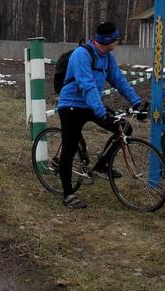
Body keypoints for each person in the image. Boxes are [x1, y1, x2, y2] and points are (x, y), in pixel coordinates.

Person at [56, 21, 147, 209]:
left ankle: (102, 166)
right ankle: (68, 194)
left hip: (90, 104)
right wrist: (101, 112)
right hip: (71, 105)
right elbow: (86, 85)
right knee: (70, 147)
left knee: (124, 127)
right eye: (117, 38)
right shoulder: (82, 54)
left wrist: (137, 102)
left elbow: (119, 81)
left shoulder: (107, 57)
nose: (119, 41)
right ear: (109, 40)